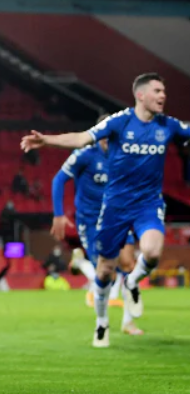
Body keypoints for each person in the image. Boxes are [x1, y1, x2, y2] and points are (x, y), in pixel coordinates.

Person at [22, 72, 190, 348]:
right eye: (158, 91)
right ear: (141, 95)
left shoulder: (168, 125)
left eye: (164, 91)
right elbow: (81, 138)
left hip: (148, 204)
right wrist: (48, 140)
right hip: (114, 208)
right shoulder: (119, 122)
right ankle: (102, 323)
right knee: (104, 272)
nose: (163, 95)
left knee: (151, 252)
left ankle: (132, 283)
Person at [50, 115, 142, 335]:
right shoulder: (85, 155)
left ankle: (128, 322)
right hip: (90, 221)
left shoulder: (125, 156)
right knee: (105, 273)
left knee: (129, 264)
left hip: (117, 217)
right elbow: (59, 179)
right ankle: (101, 320)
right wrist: (58, 214)